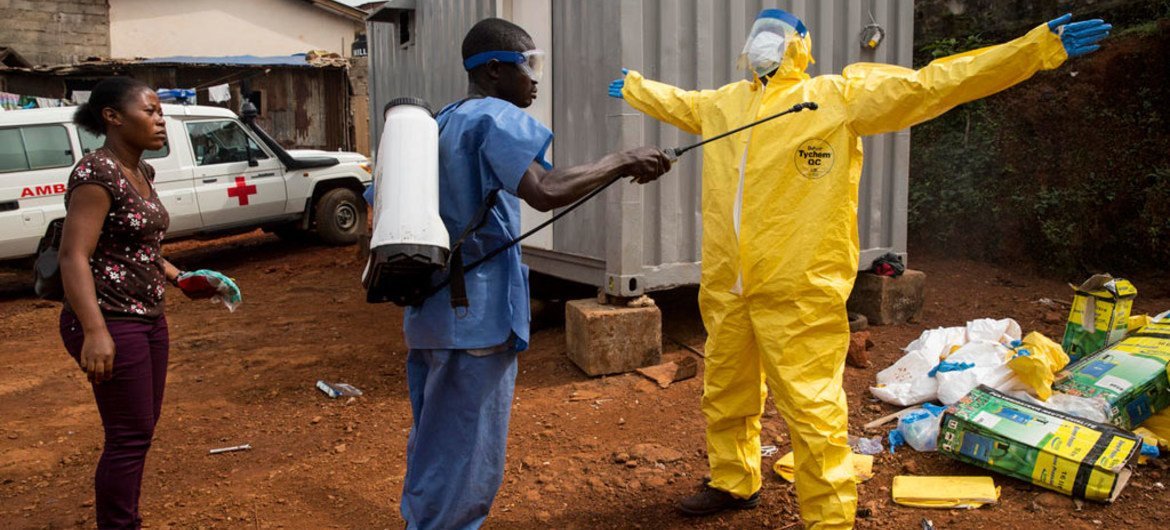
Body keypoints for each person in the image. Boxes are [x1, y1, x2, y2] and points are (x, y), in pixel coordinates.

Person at [609, 9, 1109, 528]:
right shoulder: (725, 104)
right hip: (728, 286)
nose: (764, 43)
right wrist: (636, 87)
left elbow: (934, 84)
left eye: (777, 34)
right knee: (726, 391)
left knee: (813, 408)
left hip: (801, 288)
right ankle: (734, 482)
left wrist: (1033, 50)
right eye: (758, 33)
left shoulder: (837, 96)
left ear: (800, 47)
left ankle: (828, 518)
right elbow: (680, 102)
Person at [396, 17, 672, 530]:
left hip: (429, 315)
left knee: (435, 438)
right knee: (467, 455)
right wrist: (621, 159)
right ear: (496, 70)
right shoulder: (493, 119)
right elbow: (544, 189)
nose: (535, 78)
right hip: (474, 319)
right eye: (530, 64)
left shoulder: (438, 122)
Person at [59, 77, 221, 529]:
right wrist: (94, 330)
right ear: (112, 116)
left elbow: (141, 248)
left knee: (139, 432)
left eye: (160, 112)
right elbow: (74, 255)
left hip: (148, 316)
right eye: (149, 111)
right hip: (109, 319)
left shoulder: (141, 172)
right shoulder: (97, 173)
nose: (160, 120)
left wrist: (180, 277)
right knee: (128, 437)